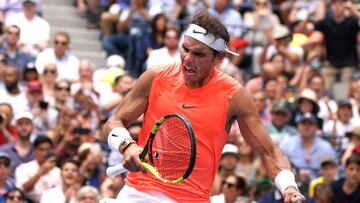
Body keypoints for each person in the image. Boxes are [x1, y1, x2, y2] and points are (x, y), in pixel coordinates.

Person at [103, 11, 305, 202]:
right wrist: (126, 144)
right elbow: (113, 121)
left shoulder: (235, 96)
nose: (188, 59)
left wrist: (288, 186)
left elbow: (268, 151)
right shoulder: (156, 76)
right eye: (185, 49)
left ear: (219, 58)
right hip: (137, 193)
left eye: (199, 54)